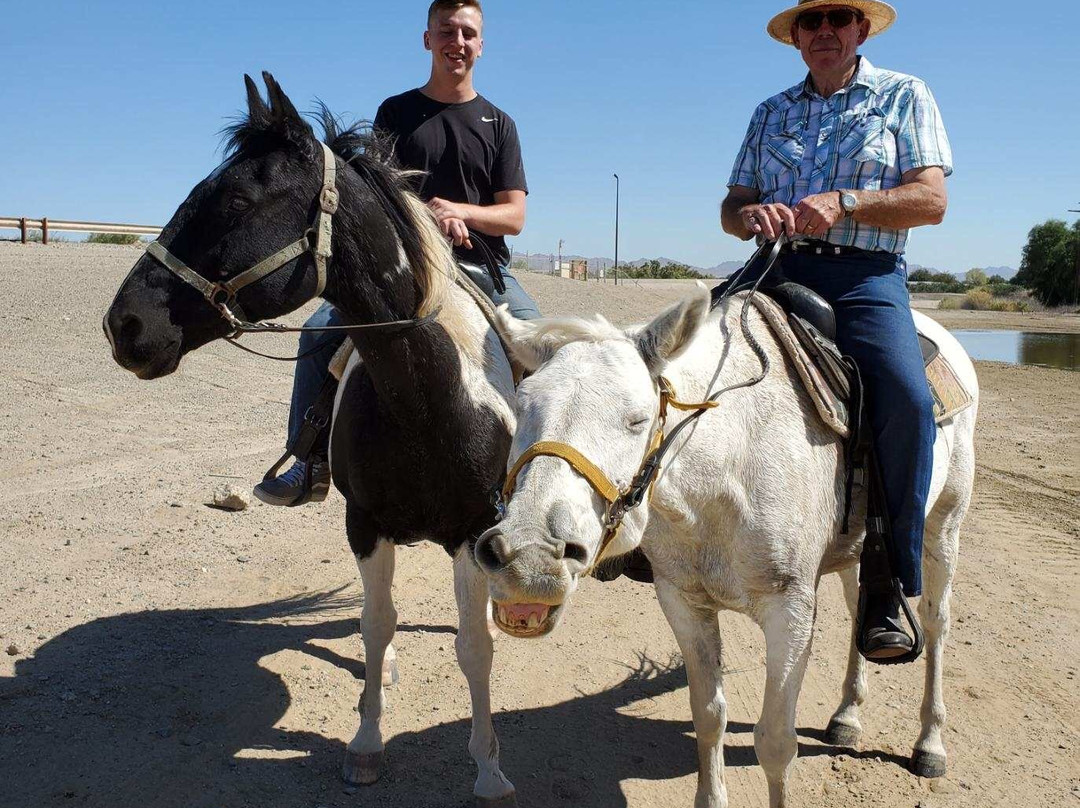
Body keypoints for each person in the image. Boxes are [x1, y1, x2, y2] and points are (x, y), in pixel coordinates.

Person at [720, 1, 952, 661]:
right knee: (680, 357)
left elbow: (931, 200)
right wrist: (751, 216)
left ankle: (886, 578)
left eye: (839, 18)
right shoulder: (770, 112)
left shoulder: (904, 94)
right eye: (812, 20)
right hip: (775, 265)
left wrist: (846, 202)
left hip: (864, 277)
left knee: (906, 398)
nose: (825, 30)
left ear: (860, 29)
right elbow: (731, 207)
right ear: (796, 36)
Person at [255, 0, 539, 507]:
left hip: (480, 267)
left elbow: (514, 216)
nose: (457, 42)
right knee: (320, 330)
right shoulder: (395, 113)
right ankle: (308, 461)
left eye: (468, 33)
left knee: (544, 347)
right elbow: (377, 197)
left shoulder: (499, 124)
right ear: (428, 39)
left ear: (481, 45)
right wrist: (429, 218)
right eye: (446, 31)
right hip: (409, 266)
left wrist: (461, 212)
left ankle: (533, 484)